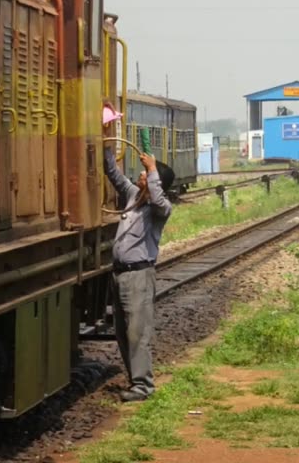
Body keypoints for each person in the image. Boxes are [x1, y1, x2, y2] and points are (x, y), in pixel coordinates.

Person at [102, 136, 174, 402]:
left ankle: (144, 386)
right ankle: (135, 382)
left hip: (138, 276)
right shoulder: (134, 196)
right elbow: (115, 175)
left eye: (146, 174)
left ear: (157, 183)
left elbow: (157, 197)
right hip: (120, 274)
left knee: (137, 333)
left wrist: (153, 168)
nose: (141, 175)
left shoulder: (160, 208)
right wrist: (105, 146)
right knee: (122, 332)